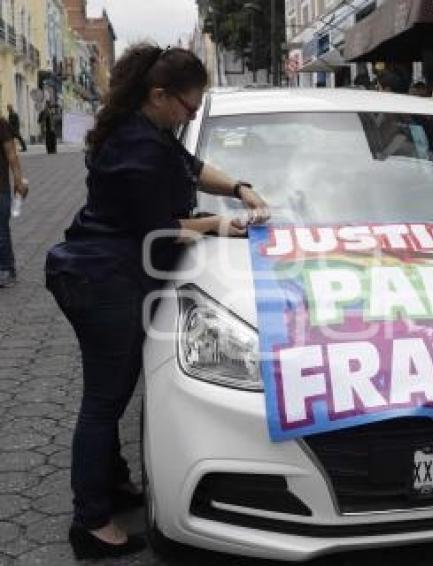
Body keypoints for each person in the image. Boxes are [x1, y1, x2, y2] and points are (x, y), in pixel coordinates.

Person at [44, 44, 269, 560]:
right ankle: (91, 523)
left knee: (112, 388)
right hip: (103, 279)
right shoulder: (137, 149)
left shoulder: (147, 131)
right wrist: (220, 222)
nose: (191, 115)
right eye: (190, 108)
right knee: (103, 401)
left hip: (99, 272)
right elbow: (162, 229)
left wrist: (239, 186)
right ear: (160, 95)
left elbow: (192, 166)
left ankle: (114, 485)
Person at [0, 115, 27, 288]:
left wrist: (18, 180)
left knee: (1, 232)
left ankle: (7, 270)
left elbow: (12, 155)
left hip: (0, 188)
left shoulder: (1, 125)